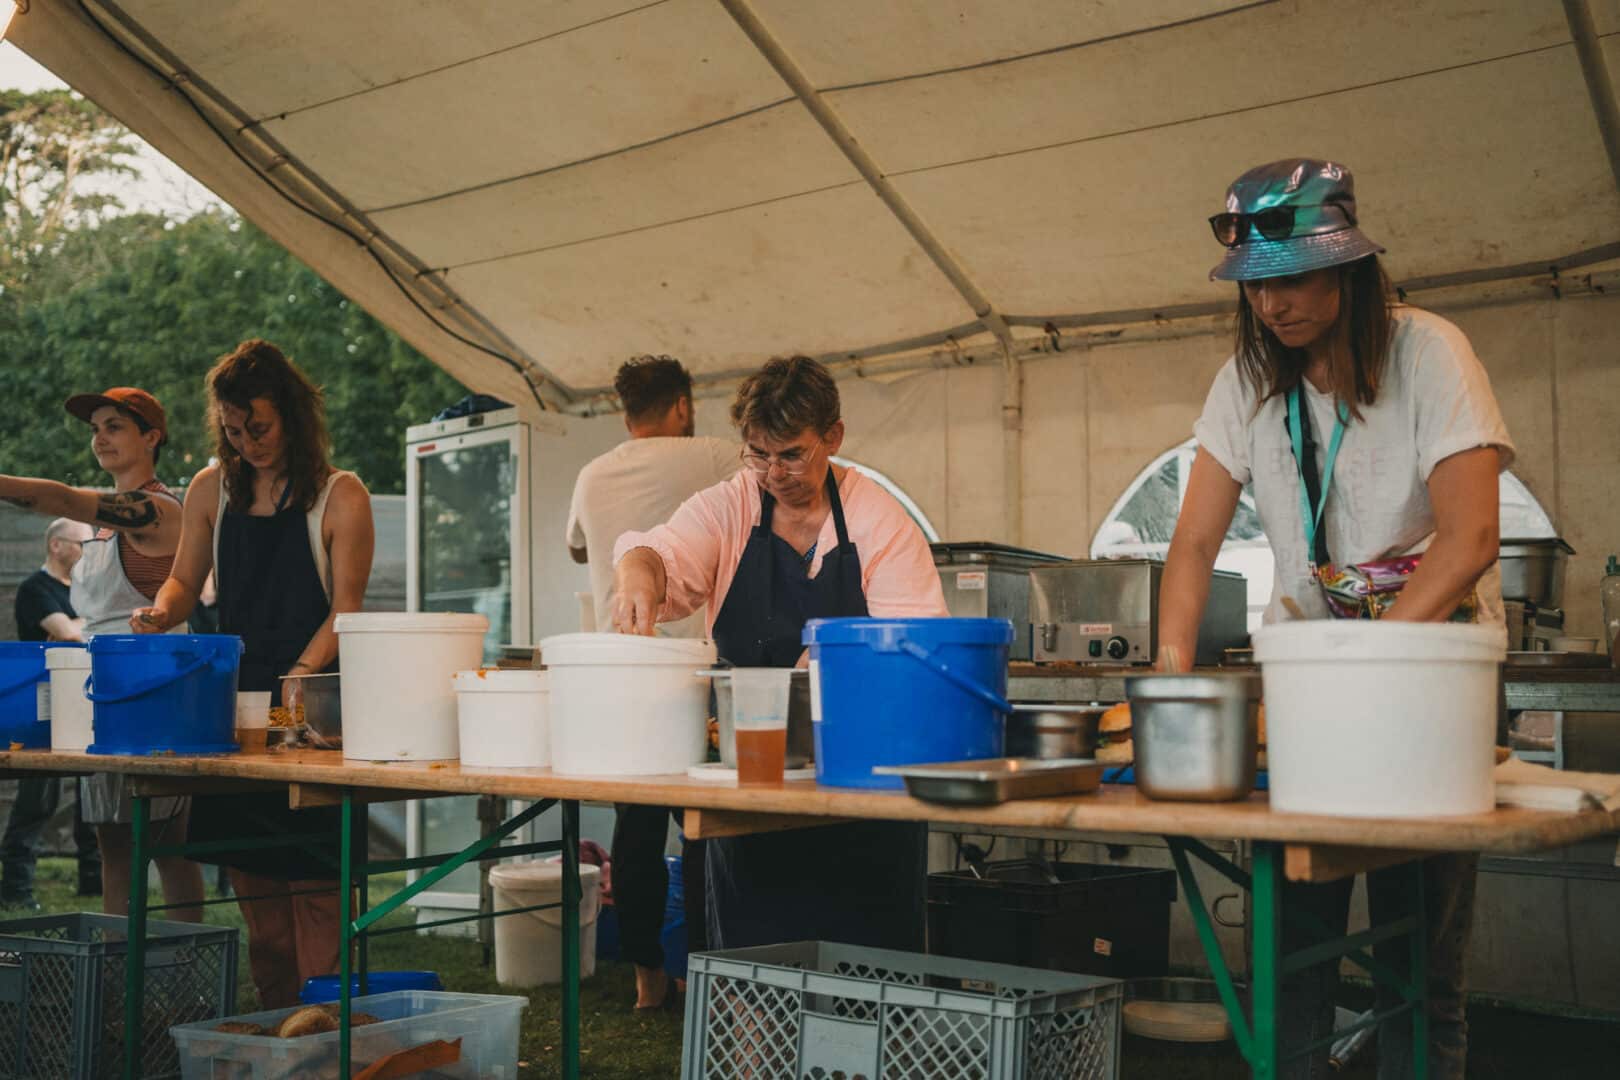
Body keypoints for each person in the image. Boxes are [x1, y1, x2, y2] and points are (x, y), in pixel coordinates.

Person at [1158, 159, 1514, 1078]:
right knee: (1290, 949)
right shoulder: (1244, 385)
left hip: (1432, 684)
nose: (1274, 305)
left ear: (1349, 268)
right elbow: (1192, 546)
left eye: (1295, 278)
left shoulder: (1430, 351)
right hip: (1314, 692)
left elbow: (1471, 536)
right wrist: (1169, 670)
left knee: (1416, 961)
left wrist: (1373, 672)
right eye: (1258, 286)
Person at [612, 355, 947, 953]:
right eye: (758, 453)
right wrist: (641, 569)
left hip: (860, 790)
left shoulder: (878, 520)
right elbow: (664, 550)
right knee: (754, 972)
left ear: (833, 437)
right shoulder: (733, 504)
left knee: (867, 976)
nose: (774, 472)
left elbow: (913, 650)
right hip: (753, 787)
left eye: (791, 453)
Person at [132, 339, 375, 1008]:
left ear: (293, 415)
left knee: (319, 898)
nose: (248, 444)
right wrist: (160, 613)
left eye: (259, 428)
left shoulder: (341, 495)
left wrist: (298, 677)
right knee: (261, 906)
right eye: (233, 431)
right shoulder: (210, 486)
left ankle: (329, 1036)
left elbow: (346, 612)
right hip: (236, 708)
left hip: (317, 710)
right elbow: (185, 579)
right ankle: (278, 1032)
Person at [566, 355, 739, 1010]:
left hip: (624, 668)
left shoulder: (592, 473)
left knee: (635, 830)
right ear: (683, 407)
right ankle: (701, 970)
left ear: (625, 412)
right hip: (699, 661)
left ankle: (646, 980)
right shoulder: (718, 456)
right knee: (702, 825)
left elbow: (579, 548)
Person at [0, 388, 205, 920]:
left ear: (152, 437)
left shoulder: (158, 509)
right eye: (95, 429)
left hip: (156, 685)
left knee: (166, 845)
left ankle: (186, 968)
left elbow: (65, 499)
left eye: (114, 426)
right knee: (112, 846)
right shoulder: (103, 527)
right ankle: (115, 964)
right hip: (103, 686)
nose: (99, 437)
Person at [3, 518, 100, 906]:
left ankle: (95, 883)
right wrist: (87, 627)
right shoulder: (34, 589)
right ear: (57, 546)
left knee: (92, 798)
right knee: (36, 801)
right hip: (45, 707)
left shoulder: (86, 591)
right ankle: (15, 890)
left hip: (86, 701)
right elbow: (70, 635)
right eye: (83, 544)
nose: (88, 552)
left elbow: (82, 629)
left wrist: (82, 626)